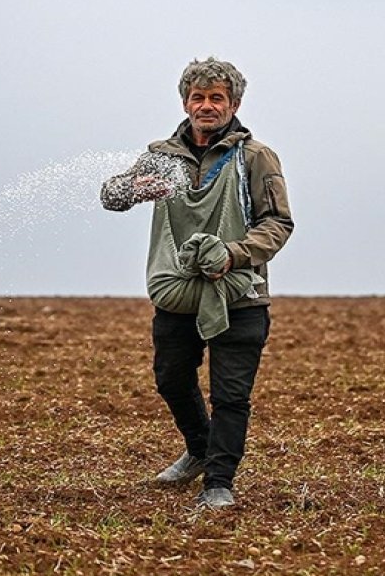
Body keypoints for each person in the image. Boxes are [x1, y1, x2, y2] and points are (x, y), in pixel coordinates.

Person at [100, 57, 294, 509]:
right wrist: (131, 190)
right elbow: (111, 195)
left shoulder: (254, 157)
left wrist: (233, 254)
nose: (207, 106)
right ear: (185, 102)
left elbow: (278, 223)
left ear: (234, 103)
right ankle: (199, 450)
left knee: (230, 394)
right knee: (170, 378)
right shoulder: (160, 157)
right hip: (177, 293)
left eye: (217, 98)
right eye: (198, 98)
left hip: (239, 293)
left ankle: (218, 483)